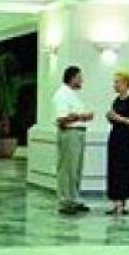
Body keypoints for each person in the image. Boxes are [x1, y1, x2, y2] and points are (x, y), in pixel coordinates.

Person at [53, 65, 94, 215]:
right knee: (67, 168)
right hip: (69, 133)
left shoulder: (72, 94)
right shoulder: (62, 94)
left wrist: (83, 117)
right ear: (72, 78)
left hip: (78, 133)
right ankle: (65, 201)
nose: (82, 80)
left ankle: (74, 199)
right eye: (79, 77)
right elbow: (61, 119)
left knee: (76, 169)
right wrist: (81, 116)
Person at [105, 71, 129, 216]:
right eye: (114, 82)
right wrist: (111, 118)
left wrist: (120, 118)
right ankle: (115, 201)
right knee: (114, 168)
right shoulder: (116, 100)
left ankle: (123, 202)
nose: (115, 85)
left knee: (125, 168)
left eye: (118, 82)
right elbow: (115, 118)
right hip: (115, 136)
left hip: (127, 138)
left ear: (126, 84)